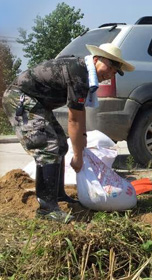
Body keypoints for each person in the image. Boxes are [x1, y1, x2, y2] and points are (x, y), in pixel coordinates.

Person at [2, 43, 135, 223]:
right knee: (48, 147)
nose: (110, 73)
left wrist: (83, 141)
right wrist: (78, 155)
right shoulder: (79, 74)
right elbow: (73, 119)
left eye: (114, 71)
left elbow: (80, 114)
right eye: (109, 67)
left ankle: (58, 195)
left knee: (61, 144)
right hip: (21, 98)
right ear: (96, 60)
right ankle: (47, 209)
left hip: (38, 104)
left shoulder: (85, 73)